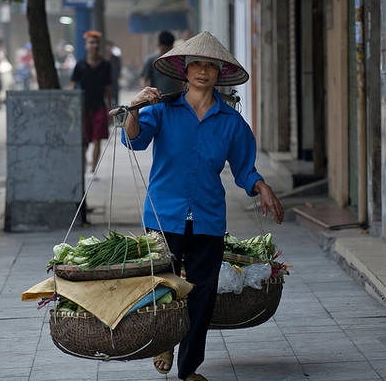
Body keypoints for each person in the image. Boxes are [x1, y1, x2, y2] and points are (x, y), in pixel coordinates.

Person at [122, 31, 285, 381]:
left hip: (208, 219)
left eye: (209, 66)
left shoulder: (231, 123)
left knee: (201, 297)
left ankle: (188, 369)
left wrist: (262, 187)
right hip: (164, 216)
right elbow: (133, 139)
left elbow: (245, 169)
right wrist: (134, 108)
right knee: (162, 289)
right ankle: (162, 342)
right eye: (196, 63)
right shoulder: (162, 111)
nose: (202, 71)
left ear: (218, 74)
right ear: (184, 70)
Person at [70, 30, 112, 179]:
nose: (94, 45)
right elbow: (73, 86)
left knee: (97, 139)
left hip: (100, 106)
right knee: (84, 140)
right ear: (86, 45)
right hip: (83, 108)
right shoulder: (80, 65)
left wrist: (110, 107)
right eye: (91, 42)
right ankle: (84, 165)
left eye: (96, 43)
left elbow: (108, 87)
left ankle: (93, 170)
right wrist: (72, 108)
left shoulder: (106, 65)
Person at [140, 30, 185, 95]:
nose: (165, 53)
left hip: (176, 98)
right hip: (157, 98)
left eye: (168, 50)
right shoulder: (151, 60)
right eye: (163, 50)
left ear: (172, 47)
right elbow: (144, 79)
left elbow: (182, 80)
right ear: (158, 45)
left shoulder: (178, 61)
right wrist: (147, 93)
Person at [105, 41, 122, 107]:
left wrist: (118, 76)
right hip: (106, 82)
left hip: (114, 81)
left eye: (110, 47)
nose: (109, 48)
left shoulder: (116, 58)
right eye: (108, 47)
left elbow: (118, 69)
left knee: (115, 97)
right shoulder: (104, 59)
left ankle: (117, 110)